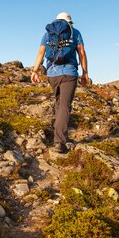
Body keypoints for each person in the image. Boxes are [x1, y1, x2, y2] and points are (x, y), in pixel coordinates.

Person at [31, 12, 89, 153]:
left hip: (52, 74)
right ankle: (60, 141)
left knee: (59, 104)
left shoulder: (48, 34)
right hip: (69, 73)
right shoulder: (74, 32)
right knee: (64, 106)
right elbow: (81, 52)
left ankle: (60, 136)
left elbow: (41, 53)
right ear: (70, 22)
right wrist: (85, 72)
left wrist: (34, 71)